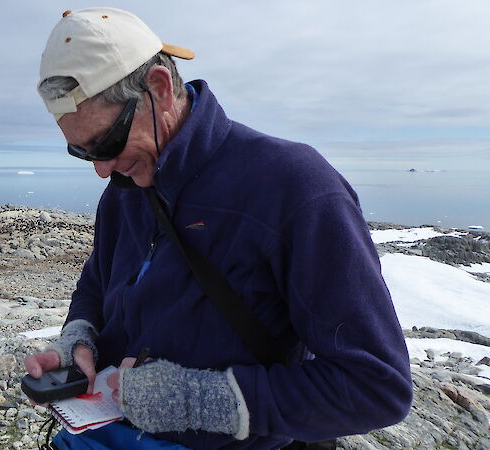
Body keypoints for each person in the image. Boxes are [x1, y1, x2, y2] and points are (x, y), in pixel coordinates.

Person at [24, 7, 413, 449]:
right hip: (95, 436)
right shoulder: (126, 184)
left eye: (108, 142)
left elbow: (377, 388)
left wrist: (197, 401)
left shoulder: (293, 186)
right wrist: (81, 337)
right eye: (81, 149)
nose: (101, 168)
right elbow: (98, 282)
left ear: (159, 88)